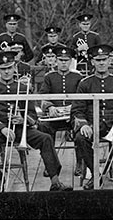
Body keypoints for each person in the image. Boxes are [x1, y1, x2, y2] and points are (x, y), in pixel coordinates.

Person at [0, 51, 72, 192]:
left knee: (45, 139)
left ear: (15, 67)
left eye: (9, 68)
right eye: (3, 69)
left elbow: (33, 114)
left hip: (21, 128)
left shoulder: (22, 88)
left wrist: (24, 119)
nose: (7, 72)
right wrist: (2, 128)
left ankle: (55, 180)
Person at [71, 44, 113, 190]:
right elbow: (77, 109)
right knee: (80, 138)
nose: (101, 63)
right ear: (92, 62)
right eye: (97, 60)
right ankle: (95, 174)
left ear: (109, 60)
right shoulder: (84, 84)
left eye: (104, 59)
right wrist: (83, 124)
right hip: (93, 125)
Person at [37, 47, 84, 176]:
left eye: (66, 60)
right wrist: (50, 107)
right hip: (55, 116)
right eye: (61, 60)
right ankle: (50, 165)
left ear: (71, 61)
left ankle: (80, 163)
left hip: (72, 115)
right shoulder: (49, 77)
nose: (63, 63)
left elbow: (83, 98)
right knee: (43, 128)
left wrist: (73, 108)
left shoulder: (77, 77)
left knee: (81, 128)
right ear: (56, 61)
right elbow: (42, 97)